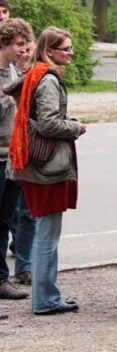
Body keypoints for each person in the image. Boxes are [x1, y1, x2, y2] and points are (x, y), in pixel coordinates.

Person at [6, 27, 86, 315]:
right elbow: (50, 123)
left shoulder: (35, 73)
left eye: (71, 48)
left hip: (34, 163)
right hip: (48, 165)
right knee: (47, 233)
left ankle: (48, 295)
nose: (70, 53)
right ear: (49, 50)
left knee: (44, 229)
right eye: (65, 48)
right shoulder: (48, 79)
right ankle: (45, 299)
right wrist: (76, 127)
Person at [0, 18, 34, 301]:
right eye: (19, 44)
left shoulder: (12, 71)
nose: (24, 50)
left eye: (26, 44)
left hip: (12, 157)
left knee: (4, 221)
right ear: (5, 43)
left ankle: (1, 279)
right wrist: (11, 97)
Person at [8, 40, 37, 285]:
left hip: (26, 151)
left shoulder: (35, 75)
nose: (24, 54)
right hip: (8, 151)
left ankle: (25, 265)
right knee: (11, 213)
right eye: (21, 48)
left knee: (27, 213)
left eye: (29, 49)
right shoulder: (9, 74)